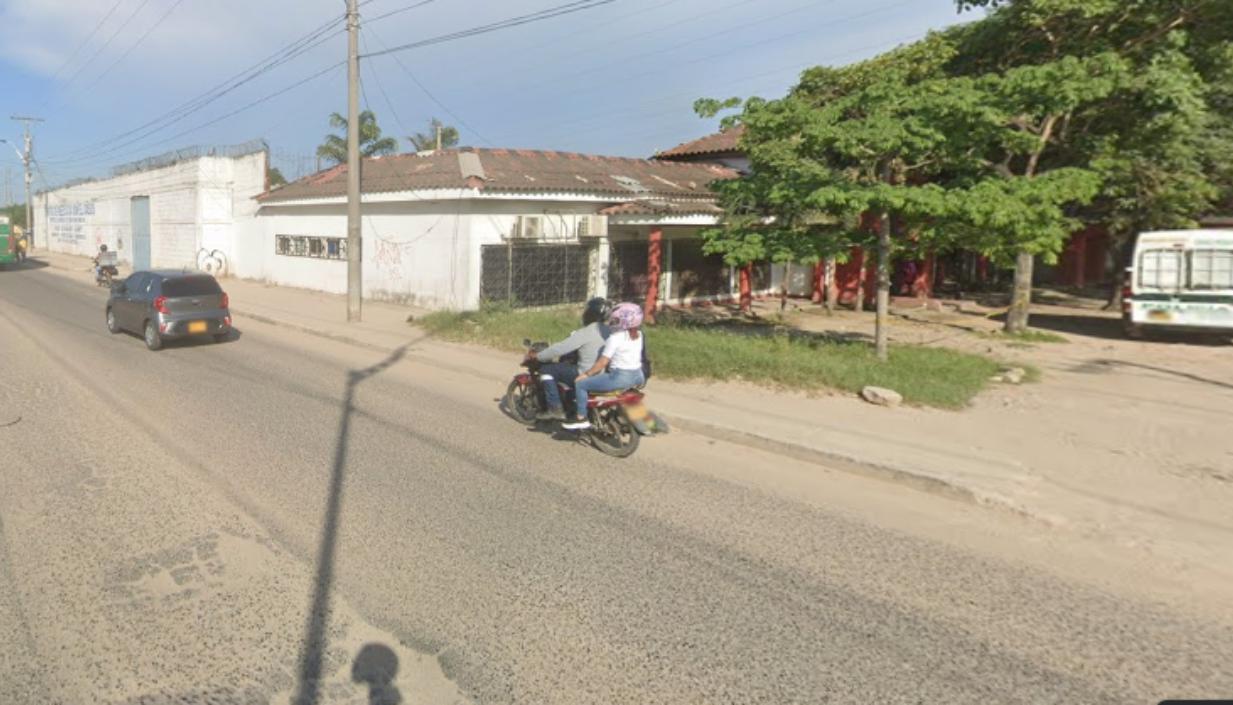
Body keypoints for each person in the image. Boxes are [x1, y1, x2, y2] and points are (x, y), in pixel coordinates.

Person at [564, 302, 646, 431]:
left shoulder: (615, 339)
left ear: (624, 321)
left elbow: (602, 363)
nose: (612, 322)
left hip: (620, 377)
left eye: (616, 319)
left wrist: (585, 375)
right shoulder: (640, 335)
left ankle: (581, 418)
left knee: (581, 384)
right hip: (638, 376)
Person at [532, 297, 610, 421]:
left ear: (590, 313)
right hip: (605, 374)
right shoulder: (610, 331)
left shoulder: (586, 332)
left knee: (547, 370)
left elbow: (560, 349)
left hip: (585, 373)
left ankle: (554, 408)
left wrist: (539, 356)